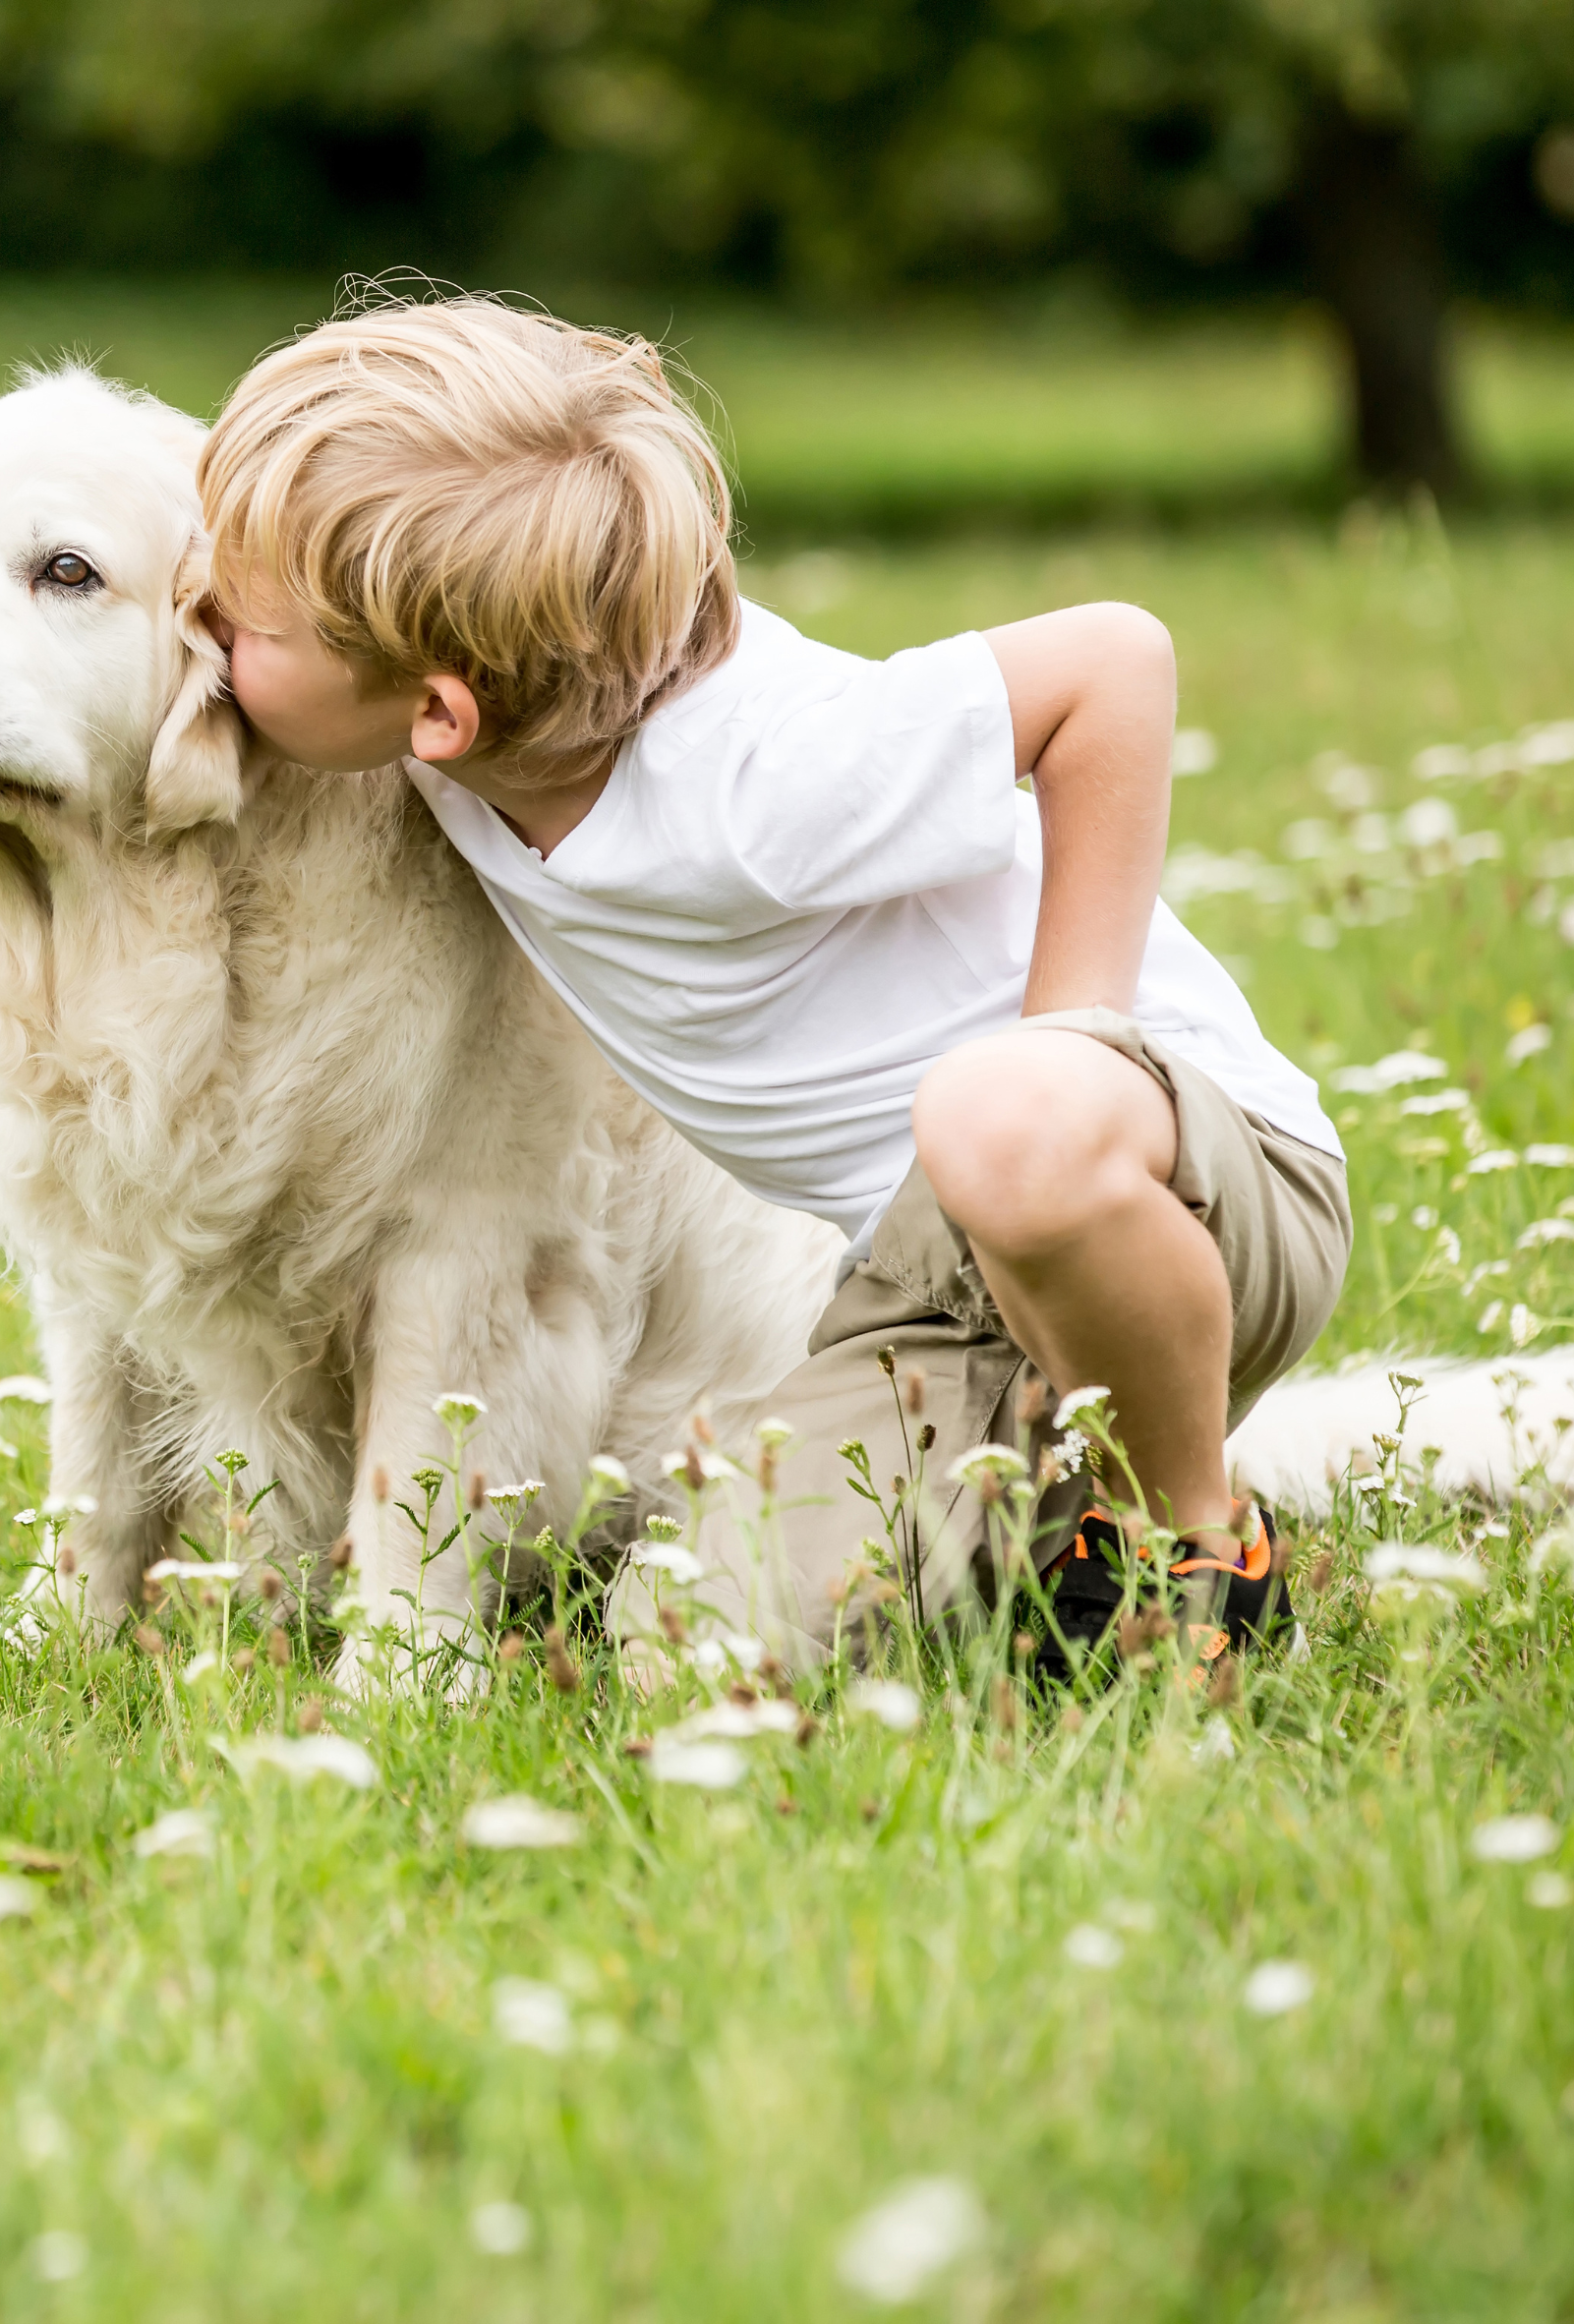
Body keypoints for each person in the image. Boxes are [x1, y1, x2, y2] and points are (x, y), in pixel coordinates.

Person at [197, 295, 1350, 1669]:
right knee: (692, 1644)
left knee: (1003, 1120)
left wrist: (1076, 1043)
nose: (195, 619)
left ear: (438, 715)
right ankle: (1042, 1532)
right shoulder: (487, 745)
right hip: (937, 1279)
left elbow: (1115, 665)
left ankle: (1196, 1541)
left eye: (239, 617)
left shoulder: (759, 777)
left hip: (1188, 1189)